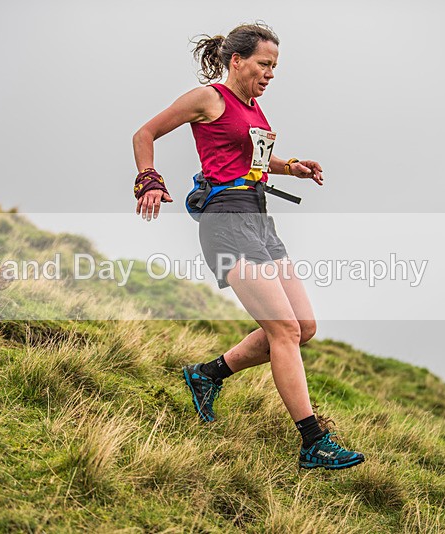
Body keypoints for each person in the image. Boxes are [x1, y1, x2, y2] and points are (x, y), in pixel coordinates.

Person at [131, 23, 365, 471]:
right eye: (264, 64)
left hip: (259, 219)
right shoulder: (209, 98)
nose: (270, 74)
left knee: (304, 326)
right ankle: (313, 442)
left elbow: (252, 161)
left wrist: (291, 167)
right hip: (226, 221)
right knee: (284, 331)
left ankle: (206, 375)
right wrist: (149, 181)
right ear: (236, 60)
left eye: (274, 67)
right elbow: (144, 134)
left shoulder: (254, 108)